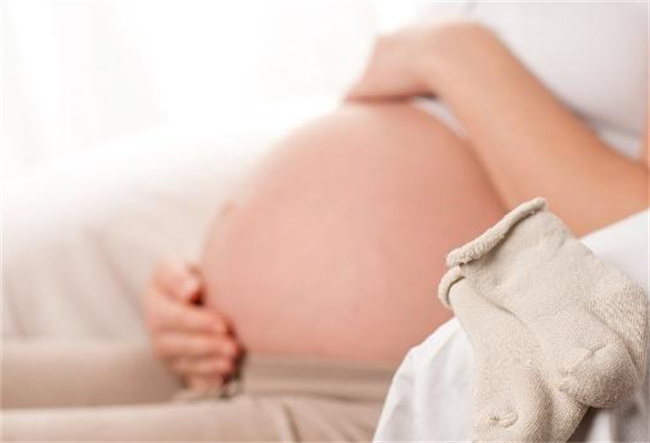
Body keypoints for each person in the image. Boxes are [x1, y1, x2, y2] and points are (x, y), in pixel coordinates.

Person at [2, 2, 648, 441]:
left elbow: (636, 225)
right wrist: (201, 286)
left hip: (376, 396)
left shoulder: (458, 47)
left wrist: (455, 55)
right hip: (220, 357)